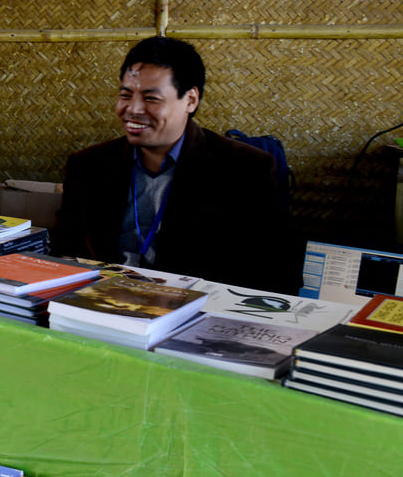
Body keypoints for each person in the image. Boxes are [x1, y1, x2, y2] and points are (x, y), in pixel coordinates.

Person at [52, 35, 297, 292]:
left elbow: (276, 272)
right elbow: (63, 253)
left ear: (190, 100)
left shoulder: (244, 168)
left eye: (151, 98)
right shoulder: (89, 165)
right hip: (99, 304)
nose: (133, 109)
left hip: (194, 310)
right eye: (126, 95)